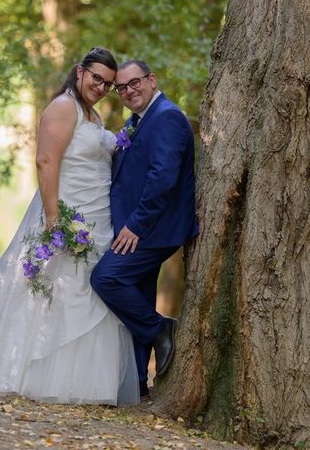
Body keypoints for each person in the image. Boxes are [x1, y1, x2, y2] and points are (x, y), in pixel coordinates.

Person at [0, 48, 140, 405]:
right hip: (66, 212)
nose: (101, 87)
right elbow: (46, 161)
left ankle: (87, 384)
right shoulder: (63, 107)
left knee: (89, 293)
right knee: (52, 288)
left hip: (98, 215)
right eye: (96, 78)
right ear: (80, 72)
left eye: (108, 83)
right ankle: (31, 374)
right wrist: (53, 218)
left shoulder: (93, 116)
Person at [90, 60, 199, 399]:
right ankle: (138, 383)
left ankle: (159, 328)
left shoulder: (167, 117)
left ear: (151, 80)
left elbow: (162, 179)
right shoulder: (137, 120)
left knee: (106, 278)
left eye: (134, 83)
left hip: (154, 228)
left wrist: (136, 225)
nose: (128, 91)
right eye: (121, 87)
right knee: (137, 293)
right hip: (136, 226)